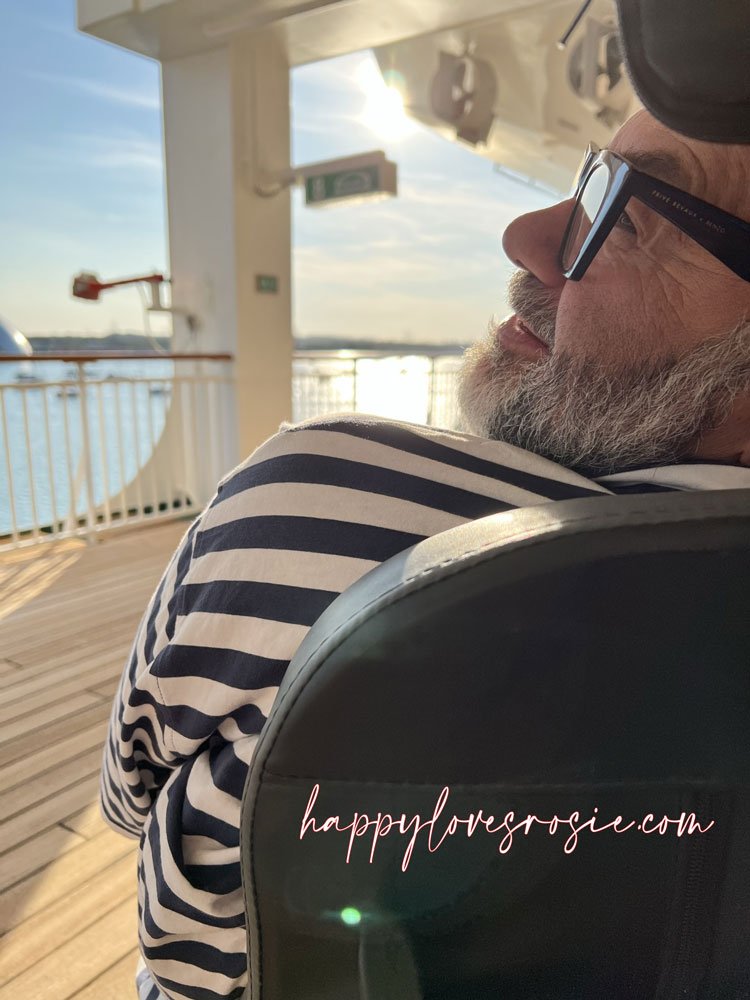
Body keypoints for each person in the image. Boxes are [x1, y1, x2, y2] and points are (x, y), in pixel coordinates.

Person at [101, 108, 750, 1000]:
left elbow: (125, 795)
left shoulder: (318, 505)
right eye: (595, 180)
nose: (526, 237)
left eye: (632, 215)